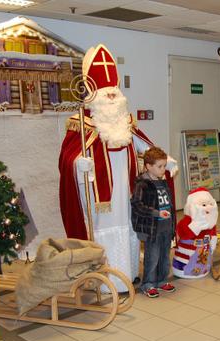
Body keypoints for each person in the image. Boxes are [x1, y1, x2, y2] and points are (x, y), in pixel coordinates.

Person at [58, 44, 177, 291]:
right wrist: (77, 163)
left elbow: (145, 148)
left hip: (127, 189)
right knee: (105, 231)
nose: (111, 96)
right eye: (106, 91)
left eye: (114, 91)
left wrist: (167, 160)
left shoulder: (126, 122)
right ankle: (104, 281)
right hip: (98, 197)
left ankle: (130, 273)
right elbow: (66, 158)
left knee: (129, 228)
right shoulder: (81, 123)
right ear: (93, 93)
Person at [131, 147, 176, 298]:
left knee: (164, 256)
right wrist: (156, 213)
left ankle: (162, 280)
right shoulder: (142, 184)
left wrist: (172, 227)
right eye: (160, 166)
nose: (164, 170)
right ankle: (148, 284)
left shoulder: (163, 182)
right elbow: (137, 205)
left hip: (166, 227)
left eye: (164, 166)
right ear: (149, 166)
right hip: (152, 229)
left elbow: (169, 204)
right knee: (153, 257)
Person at [172, 187, 218, 279]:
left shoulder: (211, 221)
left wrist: (213, 242)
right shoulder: (186, 221)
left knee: (202, 262)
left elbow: (213, 233)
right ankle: (182, 270)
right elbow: (182, 234)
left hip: (203, 252)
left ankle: (203, 270)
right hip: (186, 256)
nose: (208, 207)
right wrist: (194, 227)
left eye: (210, 204)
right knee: (187, 262)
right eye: (204, 205)